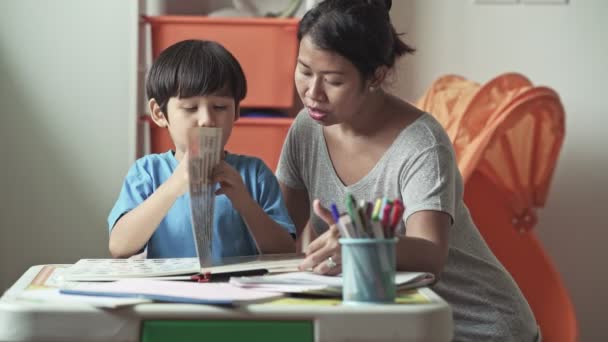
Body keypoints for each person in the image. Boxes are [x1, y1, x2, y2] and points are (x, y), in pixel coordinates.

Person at [276, 0, 539, 340]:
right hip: (397, 323)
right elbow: (282, 236)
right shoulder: (306, 129)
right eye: (305, 70)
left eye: (333, 80)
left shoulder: (422, 143)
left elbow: (430, 254)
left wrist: (362, 244)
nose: (312, 93)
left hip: (478, 327)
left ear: (377, 76)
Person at [108, 39, 296, 260]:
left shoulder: (254, 173)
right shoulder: (148, 172)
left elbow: (285, 250)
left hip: (236, 288)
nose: (206, 120)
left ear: (236, 111)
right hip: (169, 290)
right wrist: (173, 186)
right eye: (190, 108)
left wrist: (245, 202)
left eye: (220, 107)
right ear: (159, 114)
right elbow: (119, 247)